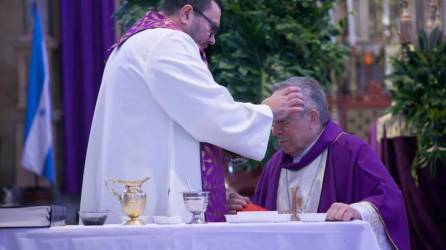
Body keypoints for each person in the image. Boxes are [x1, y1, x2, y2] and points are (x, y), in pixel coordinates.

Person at [80, 0, 303, 224]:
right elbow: (209, 112)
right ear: (187, 13)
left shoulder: (143, 40)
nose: (213, 39)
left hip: (135, 180)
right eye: (212, 28)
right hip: (146, 196)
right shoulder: (167, 41)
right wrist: (267, 111)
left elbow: (185, 118)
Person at [228, 77, 410, 250]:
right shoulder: (276, 164)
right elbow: (267, 222)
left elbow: (390, 201)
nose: (275, 131)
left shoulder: (351, 152)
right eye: (274, 123)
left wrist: (357, 211)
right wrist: (245, 208)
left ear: (312, 118)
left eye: (282, 122)